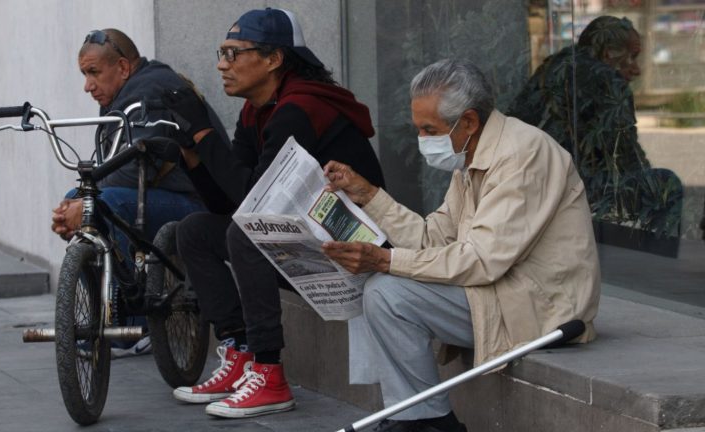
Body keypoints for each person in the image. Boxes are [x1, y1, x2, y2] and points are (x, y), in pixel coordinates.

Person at [322, 58, 601, 432]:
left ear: (468, 121)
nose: (422, 140)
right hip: (499, 289)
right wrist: (369, 196)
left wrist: (385, 261)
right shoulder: (472, 157)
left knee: (388, 293)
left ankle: (429, 421)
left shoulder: (522, 154)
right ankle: (416, 416)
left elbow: (482, 260)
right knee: (380, 288)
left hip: (542, 308)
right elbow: (431, 239)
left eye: (429, 129)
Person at [160, 8, 385, 418]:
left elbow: (254, 203)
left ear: (273, 59)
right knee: (193, 230)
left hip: (357, 252)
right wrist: (191, 153)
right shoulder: (257, 110)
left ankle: (270, 373)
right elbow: (229, 205)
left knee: (245, 234)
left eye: (232, 53)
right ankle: (241, 353)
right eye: (221, 53)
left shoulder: (300, 108)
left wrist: (207, 135)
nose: (220, 64)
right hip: (310, 242)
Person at [50, 28, 225, 357]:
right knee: (83, 197)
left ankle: (130, 325)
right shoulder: (125, 95)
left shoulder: (149, 92)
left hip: (199, 204)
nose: (87, 86)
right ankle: (106, 313)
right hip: (158, 196)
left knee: (104, 202)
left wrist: (84, 203)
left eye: (93, 73)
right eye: (85, 74)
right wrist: (73, 205)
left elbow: (138, 166)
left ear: (123, 67)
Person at [507, 16, 683, 238]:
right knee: (666, 186)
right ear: (610, 53)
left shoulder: (553, 65)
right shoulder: (607, 80)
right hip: (569, 191)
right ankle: (654, 262)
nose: (637, 70)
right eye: (632, 57)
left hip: (526, 185)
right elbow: (626, 155)